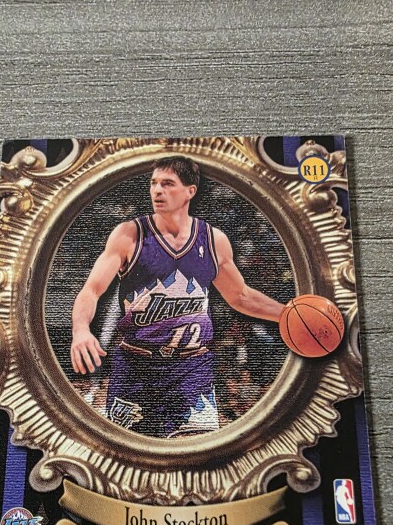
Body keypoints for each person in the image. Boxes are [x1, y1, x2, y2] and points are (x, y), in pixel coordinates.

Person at [71, 156, 285, 438]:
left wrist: (286, 314)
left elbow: (240, 296)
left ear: (190, 191)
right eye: (154, 183)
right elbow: (91, 290)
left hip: (190, 368)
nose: (157, 190)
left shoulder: (213, 240)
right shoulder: (129, 234)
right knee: (131, 456)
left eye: (168, 184)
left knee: (197, 454)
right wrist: (80, 329)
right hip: (136, 368)